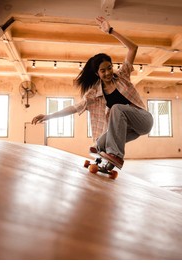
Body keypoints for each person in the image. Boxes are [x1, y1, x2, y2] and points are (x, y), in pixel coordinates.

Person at [31, 16, 153, 169]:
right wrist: (48, 116)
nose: (108, 73)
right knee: (99, 143)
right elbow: (74, 108)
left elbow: (133, 48)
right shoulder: (94, 94)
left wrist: (111, 31)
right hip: (130, 129)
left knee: (116, 108)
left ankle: (116, 156)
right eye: (103, 71)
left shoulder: (122, 76)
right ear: (97, 74)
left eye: (109, 68)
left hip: (143, 120)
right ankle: (105, 163)